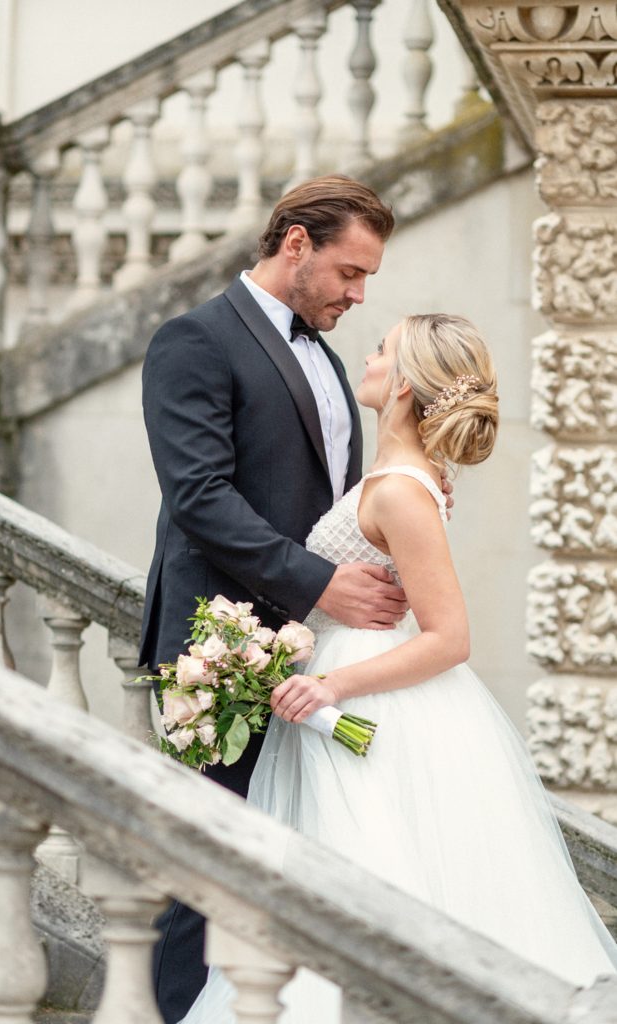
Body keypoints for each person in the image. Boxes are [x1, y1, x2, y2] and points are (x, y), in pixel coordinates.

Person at [180, 314, 617, 1024]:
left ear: (406, 383)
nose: (367, 355)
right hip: (343, 691)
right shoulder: (394, 477)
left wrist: (329, 683)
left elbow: (449, 637)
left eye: (381, 349)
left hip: (368, 704)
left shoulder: (401, 490)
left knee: (360, 889)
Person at [141, 176, 427, 1022]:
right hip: (217, 647)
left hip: (319, 659)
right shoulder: (192, 340)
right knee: (207, 877)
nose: (358, 294)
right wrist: (320, 583)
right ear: (294, 244)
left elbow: (338, 504)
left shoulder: (334, 362)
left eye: (367, 277)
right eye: (348, 271)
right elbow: (199, 497)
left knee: (298, 863)